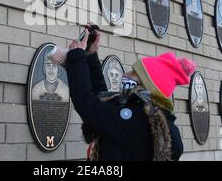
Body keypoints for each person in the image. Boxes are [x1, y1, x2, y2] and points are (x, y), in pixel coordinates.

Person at [65, 29, 196, 161]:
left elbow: (90, 107)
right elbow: (104, 104)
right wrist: (90, 56)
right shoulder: (147, 117)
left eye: (134, 73)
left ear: (146, 87)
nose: (125, 74)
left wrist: (76, 56)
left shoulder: (137, 120)